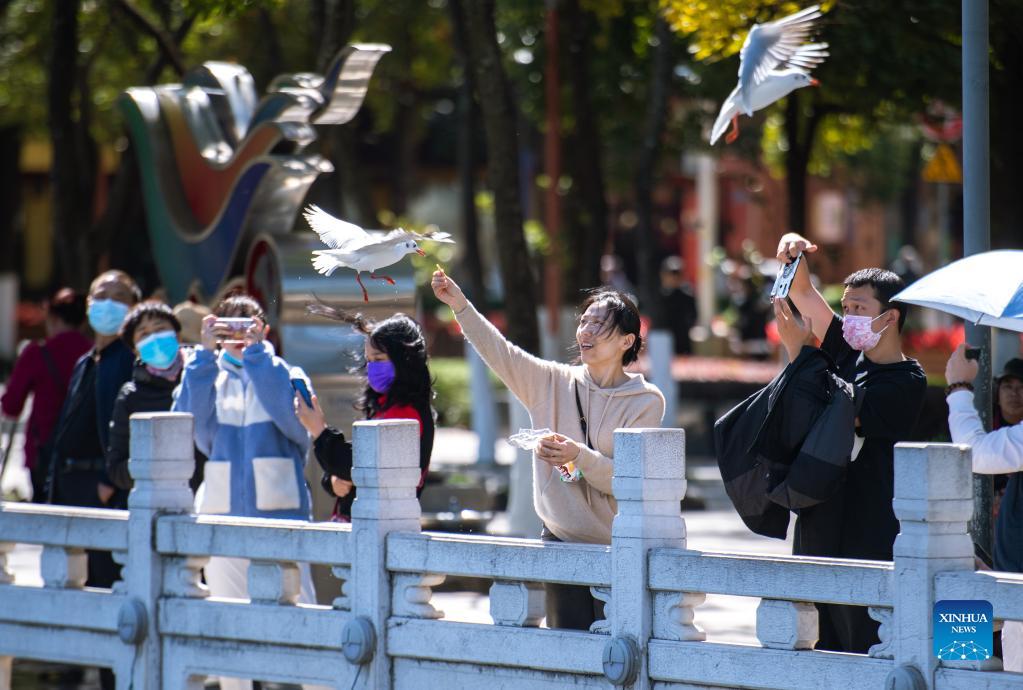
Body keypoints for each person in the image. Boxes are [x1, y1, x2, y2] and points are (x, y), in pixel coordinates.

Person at [431, 269, 665, 631]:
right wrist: (459, 305)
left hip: (621, 549)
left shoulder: (646, 401)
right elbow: (501, 352)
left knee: (621, 655)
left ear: (626, 341)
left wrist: (577, 456)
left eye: (599, 324)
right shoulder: (551, 382)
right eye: (584, 321)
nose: (585, 331)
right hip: (561, 543)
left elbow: (629, 481)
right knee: (567, 651)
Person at [775, 232, 927, 654]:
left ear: (890, 317)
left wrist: (799, 354)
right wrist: (792, 250)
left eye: (860, 308)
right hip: (821, 520)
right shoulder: (847, 351)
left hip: (869, 531)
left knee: (863, 643)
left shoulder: (907, 381)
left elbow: (843, 413)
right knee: (819, 645)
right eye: (845, 308)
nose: (850, 317)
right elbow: (803, 294)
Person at [172, 293, 319, 690]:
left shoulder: (288, 372)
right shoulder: (206, 373)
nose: (238, 334)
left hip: (282, 515)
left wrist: (257, 358)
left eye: (246, 324)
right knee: (229, 627)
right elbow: (188, 426)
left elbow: (297, 427)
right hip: (221, 515)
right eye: (229, 325)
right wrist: (203, 356)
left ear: (264, 329)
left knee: (305, 621)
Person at [45, 271, 139, 690]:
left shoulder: (129, 360)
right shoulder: (86, 360)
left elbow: (129, 427)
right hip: (71, 487)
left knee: (108, 590)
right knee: (73, 592)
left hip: (104, 492)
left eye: (118, 297)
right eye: (100, 295)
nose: (107, 303)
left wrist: (108, 481)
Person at [293, 305, 435, 522]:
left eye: (379, 359)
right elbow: (354, 464)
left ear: (405, 359)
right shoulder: (386, 405)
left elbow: (363, 466)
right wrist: (333, 481)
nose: (372, 368)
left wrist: (319, 431)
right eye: (368, 360)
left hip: (381, 527)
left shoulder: (405, 413)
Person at [945, 350, 1023, 672]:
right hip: (1001, 570)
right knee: (959, 593)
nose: (1014, 394)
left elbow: (972, 452)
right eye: (1008, 386)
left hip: (1014, 584)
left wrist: (958, 387)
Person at [1, 288, 91, 502]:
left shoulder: (37, 353)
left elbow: (11, 406)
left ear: (53, 318)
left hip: (43, 452)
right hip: (87, 456)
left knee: (45, 514)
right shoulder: (94, 353)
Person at [105, 302, 203, 494]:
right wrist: (156, 464)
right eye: (144, 334)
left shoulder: (204, 375)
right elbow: (116, 469)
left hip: (210, 497)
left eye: (160, 329)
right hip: (161, 501)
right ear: (135, 349)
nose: (154, 338)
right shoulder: (131, 396)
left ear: (178, 335)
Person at [656, 256, 697, 355]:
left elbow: (693, 316)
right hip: (662, 339)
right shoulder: (658, 296)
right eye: (671, 274)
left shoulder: (687, 296)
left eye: (677, 274)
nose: (674, 278)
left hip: (682, 341)